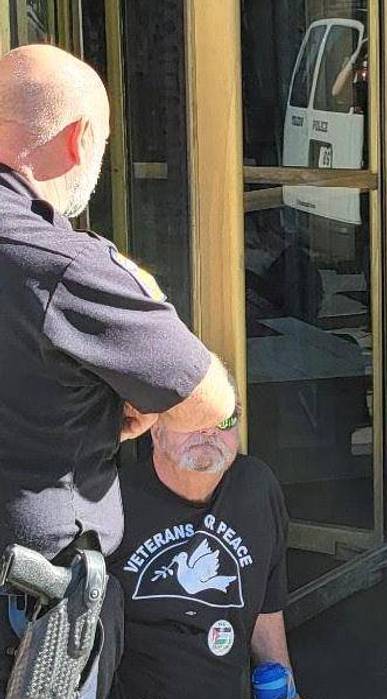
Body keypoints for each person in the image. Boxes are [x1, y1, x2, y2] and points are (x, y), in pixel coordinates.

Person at [0, 45, 235, 696]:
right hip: (30, 611)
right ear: (78, 141)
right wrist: (135, 410)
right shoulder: (60, 260)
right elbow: (208, 400)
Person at [107, 409, 295, 699]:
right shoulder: (112, 501)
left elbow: (266, 608)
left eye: (224, 420)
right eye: (191, 417)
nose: (209, 430)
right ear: (155, 429)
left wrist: (286, 687)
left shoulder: (255, 488)